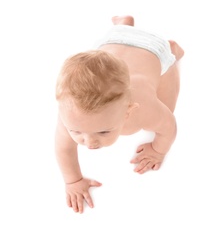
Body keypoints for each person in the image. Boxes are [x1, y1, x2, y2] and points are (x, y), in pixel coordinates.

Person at [55, 15, 184, 214]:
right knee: (103, 60)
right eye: (76, 131)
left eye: (104, 131)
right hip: (113, 40)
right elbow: (63, 149)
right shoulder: (71, 112)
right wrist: (73, 181)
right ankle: (123, 25)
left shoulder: (144, 108)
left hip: (152, 49)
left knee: (168, 105)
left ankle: (172, 49)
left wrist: (158, 151)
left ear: (129, 111)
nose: (89, 143)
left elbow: (169, 126)